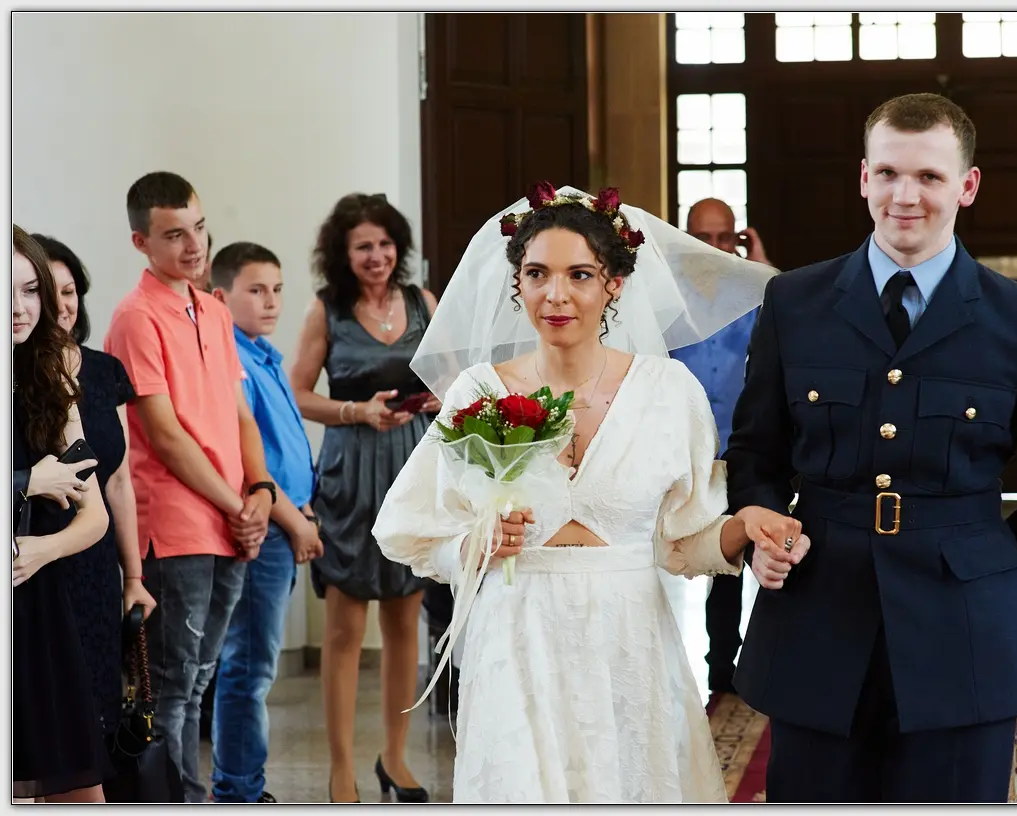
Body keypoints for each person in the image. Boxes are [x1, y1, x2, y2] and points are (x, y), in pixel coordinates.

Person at [724, 93, 1017, 803]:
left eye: (929, 177)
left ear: (966, 186)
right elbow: (755, 452)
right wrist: (760, 528)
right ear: (863, 178)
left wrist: (985, 575)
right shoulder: (793, 303)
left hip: (964, 640)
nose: (905, 196)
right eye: (888, 173)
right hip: (816, 622)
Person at [372, 182, 804, 803]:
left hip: (630, 640)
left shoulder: (667, 391)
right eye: (537, 274)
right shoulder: (479, 393)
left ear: (615, 284)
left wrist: (746, 527)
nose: (556, 294)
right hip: (515, 639)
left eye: (579, 274)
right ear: (516, 283)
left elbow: (682, 544)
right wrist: (472, 545)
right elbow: (408, 528)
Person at [103, 171, 276, 803]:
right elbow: (166, 435)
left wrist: (260, 492)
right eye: (174, 234)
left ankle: (190, 798)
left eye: (198, 228)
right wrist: (239, 507)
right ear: (141, 242)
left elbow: (240, 414)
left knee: (200, 681)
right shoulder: (135, 317)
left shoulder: (213, 309)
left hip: (229, 519)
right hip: (177, 524)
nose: (194, 245)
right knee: (171, 687)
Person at [289, 193, 440, 804]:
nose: (376, 256)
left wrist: (439, 396)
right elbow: (298, 393)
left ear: (398, 247)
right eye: (362, 247)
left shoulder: (423, 301)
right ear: (342, 253)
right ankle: (341, 768)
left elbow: (452, 377)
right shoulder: (326, 310)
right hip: (350, 472)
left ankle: (395, 758)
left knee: (405, 620)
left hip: (412, 468)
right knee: (345, 629)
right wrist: (355, 410)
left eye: (384, 244)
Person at [34, 234, 159, 759]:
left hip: (96, 560)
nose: (62, 306)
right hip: (36, 557)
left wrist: (133, 577)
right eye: (47, 293)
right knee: (46, 722)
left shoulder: (104, 371)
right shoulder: (22, 375)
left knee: (98, 716)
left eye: (70, 292)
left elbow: (118, 480)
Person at [208, 241, 324, 803]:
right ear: (220, 296)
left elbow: (286, 445)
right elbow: (250, 460)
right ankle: (238, 790)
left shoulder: (264, 354)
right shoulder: (230, 359)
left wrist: (306, 507)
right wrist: (295, 521)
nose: (271, 301)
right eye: (256, 290)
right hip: (268, 525)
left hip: (290, 516)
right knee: (249, 666)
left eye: (277, 289)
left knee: (256, 663)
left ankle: (241, 784)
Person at [12, 224, 112, 802]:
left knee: (79, 791)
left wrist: (41, 551)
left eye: (31, 290)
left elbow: (95, 516)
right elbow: (43, 481)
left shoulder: (49, 379)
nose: (19, 308)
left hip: (36, 600)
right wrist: (30, 481)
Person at [670, 199, 774, 695]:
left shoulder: (756, 293)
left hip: (742, 447)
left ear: (737, 239)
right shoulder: (663, 298)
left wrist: (763, 270)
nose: (713, 248)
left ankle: (727, 670)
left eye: (723, 237)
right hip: (679, 451)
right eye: (702, 238)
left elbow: (803, 326)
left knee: (736, 556)